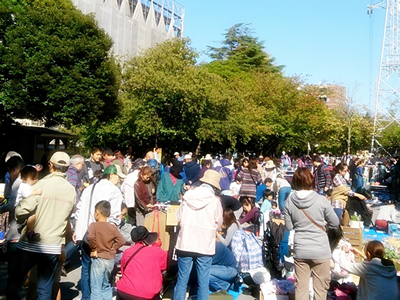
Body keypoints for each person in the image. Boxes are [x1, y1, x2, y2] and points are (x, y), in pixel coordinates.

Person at [10, 152, 76, 299]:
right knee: (45, 289)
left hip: (31, 243)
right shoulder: (71, 190)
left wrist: (30, 198)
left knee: (15, 282)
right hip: (53, 246)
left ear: (50, 165)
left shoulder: (42, 184)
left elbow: (20, 212)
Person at [284, 167, 339, 300]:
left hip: (301, 249)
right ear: (311, 180)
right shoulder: (321, 200)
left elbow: (289, 226)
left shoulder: (289, 201)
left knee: (301, 289)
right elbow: (335, 223)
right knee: (320, 291)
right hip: (321, 249)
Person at [73, 164, 125, 300]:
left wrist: (76, 230)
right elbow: (114, 216)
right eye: (118, 177)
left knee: (85, 269)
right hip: (103, 237)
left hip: (85, 233)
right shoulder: (114, 190)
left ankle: (86, 297)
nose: (119, 180)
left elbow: (79, 211)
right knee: (102, 276)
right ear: (112, 175)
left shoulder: (89, 188)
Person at [174, 169, 223, 300]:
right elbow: (218, 223)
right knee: (203, 282)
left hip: (186, 241)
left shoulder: (188, 196)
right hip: (205, 244)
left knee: (182, 280)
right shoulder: (215, 201)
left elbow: (178, 217)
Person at [87, 200, 125, 299]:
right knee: (106, 285)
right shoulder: (112, 227)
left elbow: (90, 237)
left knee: (96, 287)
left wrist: (93, 249)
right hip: (110, 259)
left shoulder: (93, 226)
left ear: (97, 212)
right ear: (109, 213)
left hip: (98, 258)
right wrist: (113, 248)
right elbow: (122, 240)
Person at [117, 226, 167, 300]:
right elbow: (164, 267)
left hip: (124, 291)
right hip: (146, 295)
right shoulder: (158, 252)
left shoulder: (127, 252)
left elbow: (123, 271)